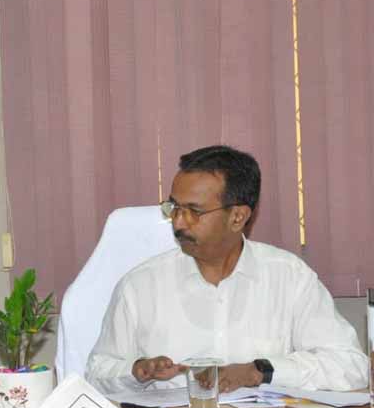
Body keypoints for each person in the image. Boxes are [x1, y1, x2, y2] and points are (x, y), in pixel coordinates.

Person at [86, 145, 365, 394]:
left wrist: (259, 371)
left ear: (238, 217)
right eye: (174, 208)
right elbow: (97, 373)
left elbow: (350, 366)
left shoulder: (289, 277)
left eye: (194, 211)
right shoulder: (140, 285)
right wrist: (136, 371)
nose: (178, 222)